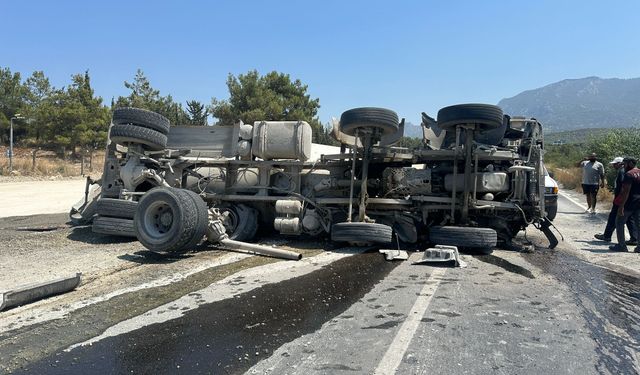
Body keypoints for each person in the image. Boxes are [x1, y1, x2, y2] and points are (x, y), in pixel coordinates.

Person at [594, 157, 637, 244]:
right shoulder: (626, 171)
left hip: (621, 199)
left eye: (615, 164)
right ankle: (634, 238)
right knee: (630, 219)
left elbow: (623, 187)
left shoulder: (622, 172)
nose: (614, 166)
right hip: (628, 200)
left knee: (614, 218)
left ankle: (608, 236)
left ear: (620, 163)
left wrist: (619, 200)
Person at [610, 157, 640, 253]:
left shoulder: (629, 174)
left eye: (625, 164)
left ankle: (621, 246)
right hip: (638, 203)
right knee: (638, 224)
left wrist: (621, 206)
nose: (624, 166)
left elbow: (625, 192)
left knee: (619, 222)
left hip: (629, 203)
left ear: (630, 163)